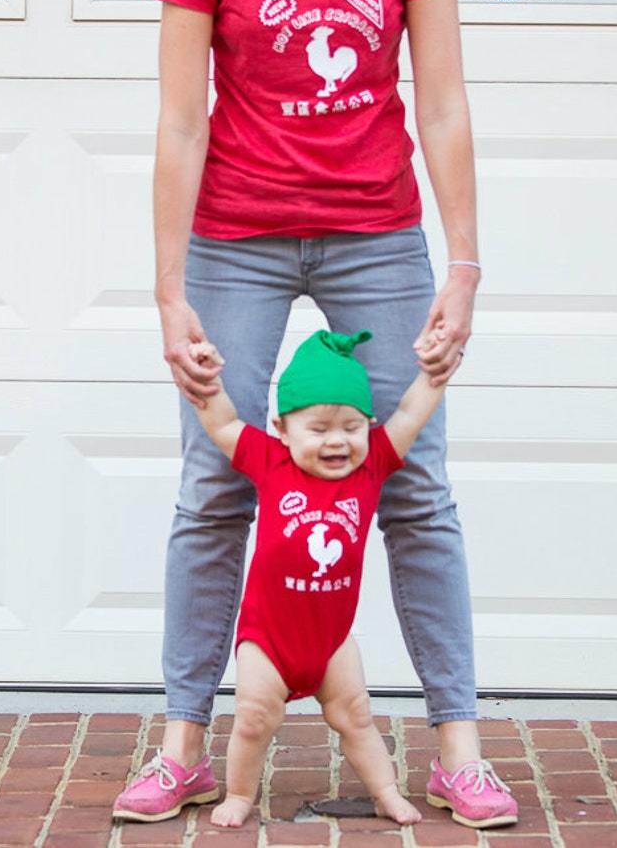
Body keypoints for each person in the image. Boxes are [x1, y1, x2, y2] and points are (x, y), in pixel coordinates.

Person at [112, 0, 518, 831]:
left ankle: (456, 749)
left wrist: (464, 263)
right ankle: (186, 743)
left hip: (374, 231)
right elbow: (179, 123)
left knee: (416, 489)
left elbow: (439, 106)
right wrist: (167, 291)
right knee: (213, 488)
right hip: (233, 236)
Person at [187, 328, 443, 827]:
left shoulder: (372, 470)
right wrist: (208, 381)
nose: (337, 440)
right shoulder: (270, 461)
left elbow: (410, 415)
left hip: (331, 642)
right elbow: (221, 426)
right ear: (283, 429)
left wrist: (433, 376)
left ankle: (387, 792)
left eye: (352, 426)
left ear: (368, 425)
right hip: (267, 638)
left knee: (358, 717)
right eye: (319, 427)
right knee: (254, 718)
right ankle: (239, 795)